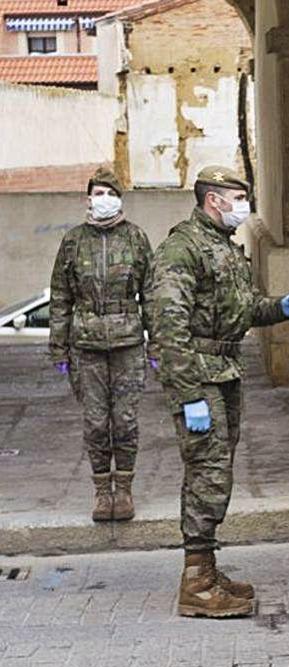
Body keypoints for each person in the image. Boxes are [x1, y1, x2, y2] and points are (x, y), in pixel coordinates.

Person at [149, 165, 289, 618]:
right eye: (237, 199)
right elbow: (167, 328)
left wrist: (279, 307)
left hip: (223, 369)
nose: (244, 208)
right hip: (199, 376)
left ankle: (206, 569)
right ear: (212, 200)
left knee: (216, 471)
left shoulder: (221, 246)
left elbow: (241, 310)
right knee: (207, 472)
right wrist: (187, 395)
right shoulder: (182, 250)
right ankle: (195, 584)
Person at [48, 167, 155, 523]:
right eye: (98, 192)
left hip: (127, 343)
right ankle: (101, 490)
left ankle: (123, 489)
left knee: (124, 421)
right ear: (88, 198)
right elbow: (61, 297)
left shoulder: (136, 239)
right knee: (95, 422)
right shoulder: (73, 241)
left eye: (111, 193)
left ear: (120, 199)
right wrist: (58, 348)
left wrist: (156, 344)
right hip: (86, 345)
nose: (104, 199)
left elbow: (152, 295)